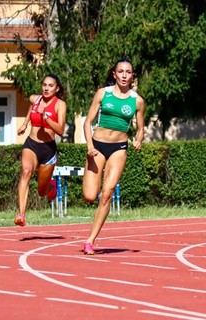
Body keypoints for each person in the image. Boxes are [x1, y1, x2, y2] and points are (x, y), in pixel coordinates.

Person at [82, 58, 145, 254]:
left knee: (107, 193)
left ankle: (90, 241)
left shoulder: (137, 100)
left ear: (132, 75)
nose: (125, 75)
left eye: (128, 72)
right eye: (121, 71)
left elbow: (141, 128)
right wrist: (90, 145)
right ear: (114, 74)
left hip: (119, 148)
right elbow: (87, 122)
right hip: (98, 146)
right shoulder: (103, 93)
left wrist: (138, 139)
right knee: (90, 196)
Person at [14, 74, 67, 227]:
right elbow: (32, 107)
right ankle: (21, 214)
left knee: (42, 191)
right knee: (25, 172)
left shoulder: (60, 105)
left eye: (50, 86)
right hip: (31, 144)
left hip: (48, 150)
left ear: (56, 89)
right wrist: (25, 123)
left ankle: (51, 188)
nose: (46, 88)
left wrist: (46, 117)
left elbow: (61, 130)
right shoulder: (35, 99)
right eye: (44, 85)